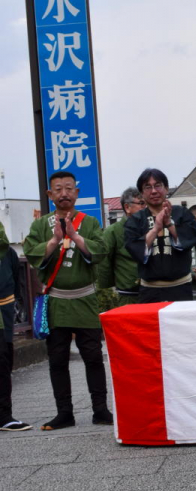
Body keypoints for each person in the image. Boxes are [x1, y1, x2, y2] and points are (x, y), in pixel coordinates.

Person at [23, 170, 113, 430]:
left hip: (84, 298)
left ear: (77, 192)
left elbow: (101, 251)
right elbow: (31, 253)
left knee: (93, 356)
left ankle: (100, 409)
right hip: (56, 301)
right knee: (57, 358)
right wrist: (54, 240)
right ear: (50, 195)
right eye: (58, 189)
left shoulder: (91, 222)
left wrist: (75, 236)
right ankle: (65, 413)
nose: (64, 193)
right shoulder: (41, 225)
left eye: (69, 188)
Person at [124, 169, 196, 303]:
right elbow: (134, 249)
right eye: (148, 187)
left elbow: (190, 238)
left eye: (158, 185)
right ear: (142, 193)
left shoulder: (182, 213)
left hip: (181, 288)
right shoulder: (135, 220)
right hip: (149, 291)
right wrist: (155, 229)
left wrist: (169, 224)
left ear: (166, 188)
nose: (154, 191)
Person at [0, 223, 31, 432]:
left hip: (4, 312)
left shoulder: (8, 253)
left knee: (3, 361)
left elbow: (15, 282)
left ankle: (4, 415)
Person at [97, 187, 145, 305]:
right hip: (128, 293)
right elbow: (104, 263)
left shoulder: (152, 227)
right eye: (141, 203)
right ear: (127, 207)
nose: (145, 207)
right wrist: (111, 287)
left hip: (153, 291)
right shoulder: (113, 231)